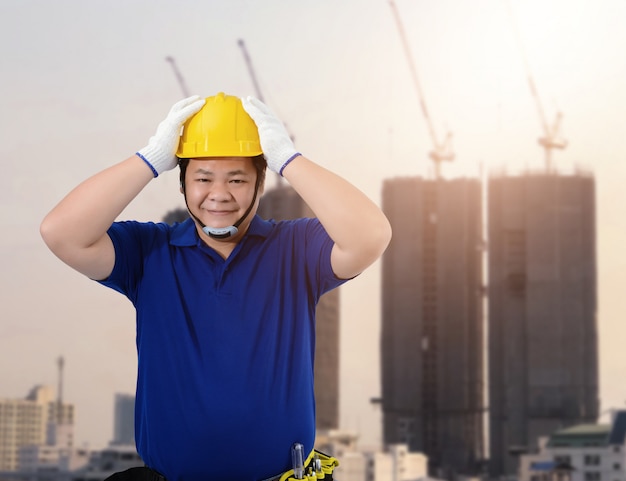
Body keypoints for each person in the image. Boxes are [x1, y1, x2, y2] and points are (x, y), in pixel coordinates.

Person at [40, 92, 392, 481]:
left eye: (238, 179)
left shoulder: (296, 249)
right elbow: (61, 233)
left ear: (260, 184)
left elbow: (370, 235)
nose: (219, 194)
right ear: (182, 186)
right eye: (203, 178)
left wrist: (288, 160)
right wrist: (149, 159)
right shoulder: (149, 252)